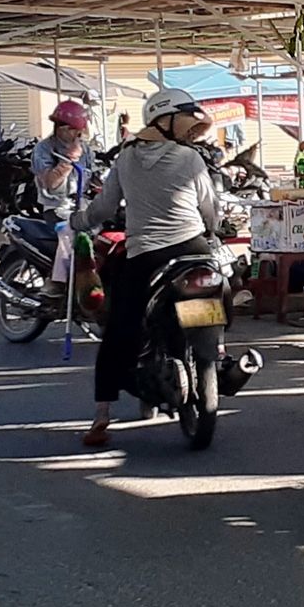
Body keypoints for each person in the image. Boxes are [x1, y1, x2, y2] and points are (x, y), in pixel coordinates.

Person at [79, 87, 222, 447]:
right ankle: (218, 352)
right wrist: (215, 228)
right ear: (165, 121)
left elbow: (104, 208)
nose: (190, 130)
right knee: (216, 295)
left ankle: (101, 416)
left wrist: (78, 221)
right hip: (194, 250)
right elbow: (210, 210)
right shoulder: (191, 159)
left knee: (118, 331)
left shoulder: (125, 159)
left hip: (146, 257)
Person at [32, 98, 92, 220]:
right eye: (74, 130)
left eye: (80, 131)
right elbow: (51, 183)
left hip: (82, 205)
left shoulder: (85, 149)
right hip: (57, 207)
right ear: (61, 128)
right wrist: (69, 160)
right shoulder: (44, 148)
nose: (78, 135)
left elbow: (91, 174)